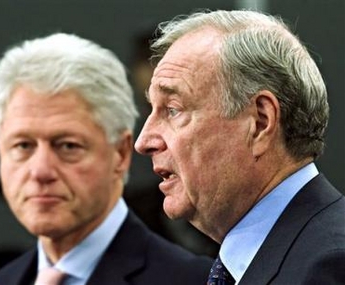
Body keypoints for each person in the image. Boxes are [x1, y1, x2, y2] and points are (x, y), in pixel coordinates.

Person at [0, 33, 212, 285]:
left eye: (68, 146)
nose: (40, 170)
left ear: (121, 154)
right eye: (23, 145)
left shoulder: (195, 280)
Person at [135, 9, 345, 284]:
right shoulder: (251, 264)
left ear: (259, 122)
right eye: (152, 109)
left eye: (173, 110)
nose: (144, 141)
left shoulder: (328, 269)